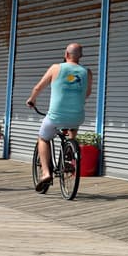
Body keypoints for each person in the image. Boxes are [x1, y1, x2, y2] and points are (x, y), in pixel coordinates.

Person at [26, 42, 92, 193]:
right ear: (81, 56)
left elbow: (38, 87)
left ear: (66, 54)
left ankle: (46, 173)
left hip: (56, 116)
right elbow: (87, 93)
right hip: (77, 116)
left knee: (43, 138)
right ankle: (69, 151)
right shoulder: (87, 72)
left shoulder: (56, 68)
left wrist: (32, 99)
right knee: (73, 125)